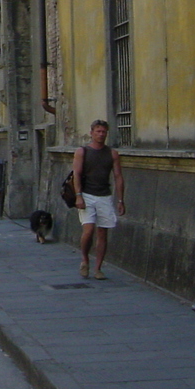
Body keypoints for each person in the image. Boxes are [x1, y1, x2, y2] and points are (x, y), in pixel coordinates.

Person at [72, 119, 125, 280]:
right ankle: (85, 259)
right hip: (87, 195)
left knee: (103, 232)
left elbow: (118, 177)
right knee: (88, 230)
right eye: (98, 131)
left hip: (105, 196)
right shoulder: (82, 151)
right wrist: (78, 195)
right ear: (92, 133)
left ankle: (98, 268)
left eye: (103, 132)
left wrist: (121, 200)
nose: (101, 134)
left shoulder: (112, 153)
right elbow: (77, 174)